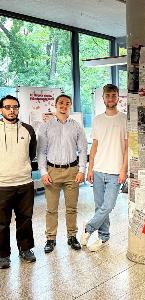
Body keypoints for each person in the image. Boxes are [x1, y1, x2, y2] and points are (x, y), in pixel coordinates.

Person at [37, 94, 87, 254]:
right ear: (55, 104)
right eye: (61, 103)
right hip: (52, 171)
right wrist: (43, 172)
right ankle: (50, 238)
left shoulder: (77, 126)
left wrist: (81, 170)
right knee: (51, 209)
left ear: (70, 105)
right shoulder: (46, 126)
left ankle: (72, 236)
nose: (63, 106)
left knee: (71, 208)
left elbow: (83, 149)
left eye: (67, 103)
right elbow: (42, 152)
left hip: (72, 171)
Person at [80, 84, 128, 252]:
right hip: (99, 169)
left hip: (116, 172)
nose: (110, 99)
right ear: (103, 98)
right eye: (108, 96)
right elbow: (94, 145)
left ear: (118, 97)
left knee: (108, 206)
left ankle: (88, 228)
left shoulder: (124, 119)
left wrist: (124, 170)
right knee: (99, 207)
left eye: (114, 95)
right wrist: (90, 168)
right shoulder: (97, 120)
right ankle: (103, 237)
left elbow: (127, 147)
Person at [0, 95, 37, 269]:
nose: (11, 110)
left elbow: (31, 154)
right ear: (1, 110)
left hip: (24, 183)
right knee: (1, 222)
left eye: (15, 107)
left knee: (25, 219)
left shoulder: (28, 130)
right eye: (7, 107)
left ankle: (25, 249)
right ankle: (3, 255)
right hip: (2, 184)